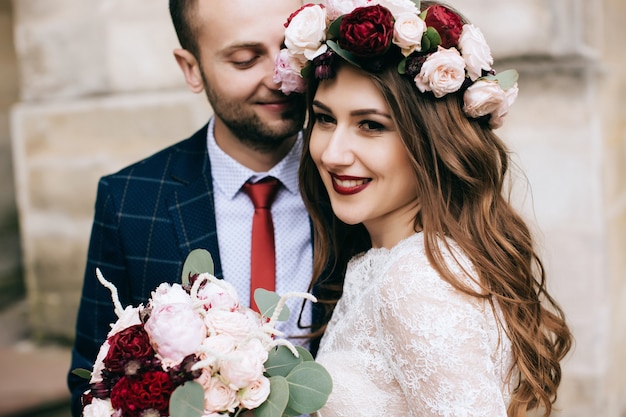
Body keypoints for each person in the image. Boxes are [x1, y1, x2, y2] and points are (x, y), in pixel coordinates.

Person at [275, 1, 573, 416]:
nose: (332, 153)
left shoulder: (416, 280)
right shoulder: (397, 261)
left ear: (434, 140)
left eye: (371, 125)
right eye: (325, 119)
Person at [66, 0, 337, 415]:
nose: (279, 77)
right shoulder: (129, 201)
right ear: (191, 68)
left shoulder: (357, 186)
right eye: (245, 60)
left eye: (289, 52)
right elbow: (91, 380)